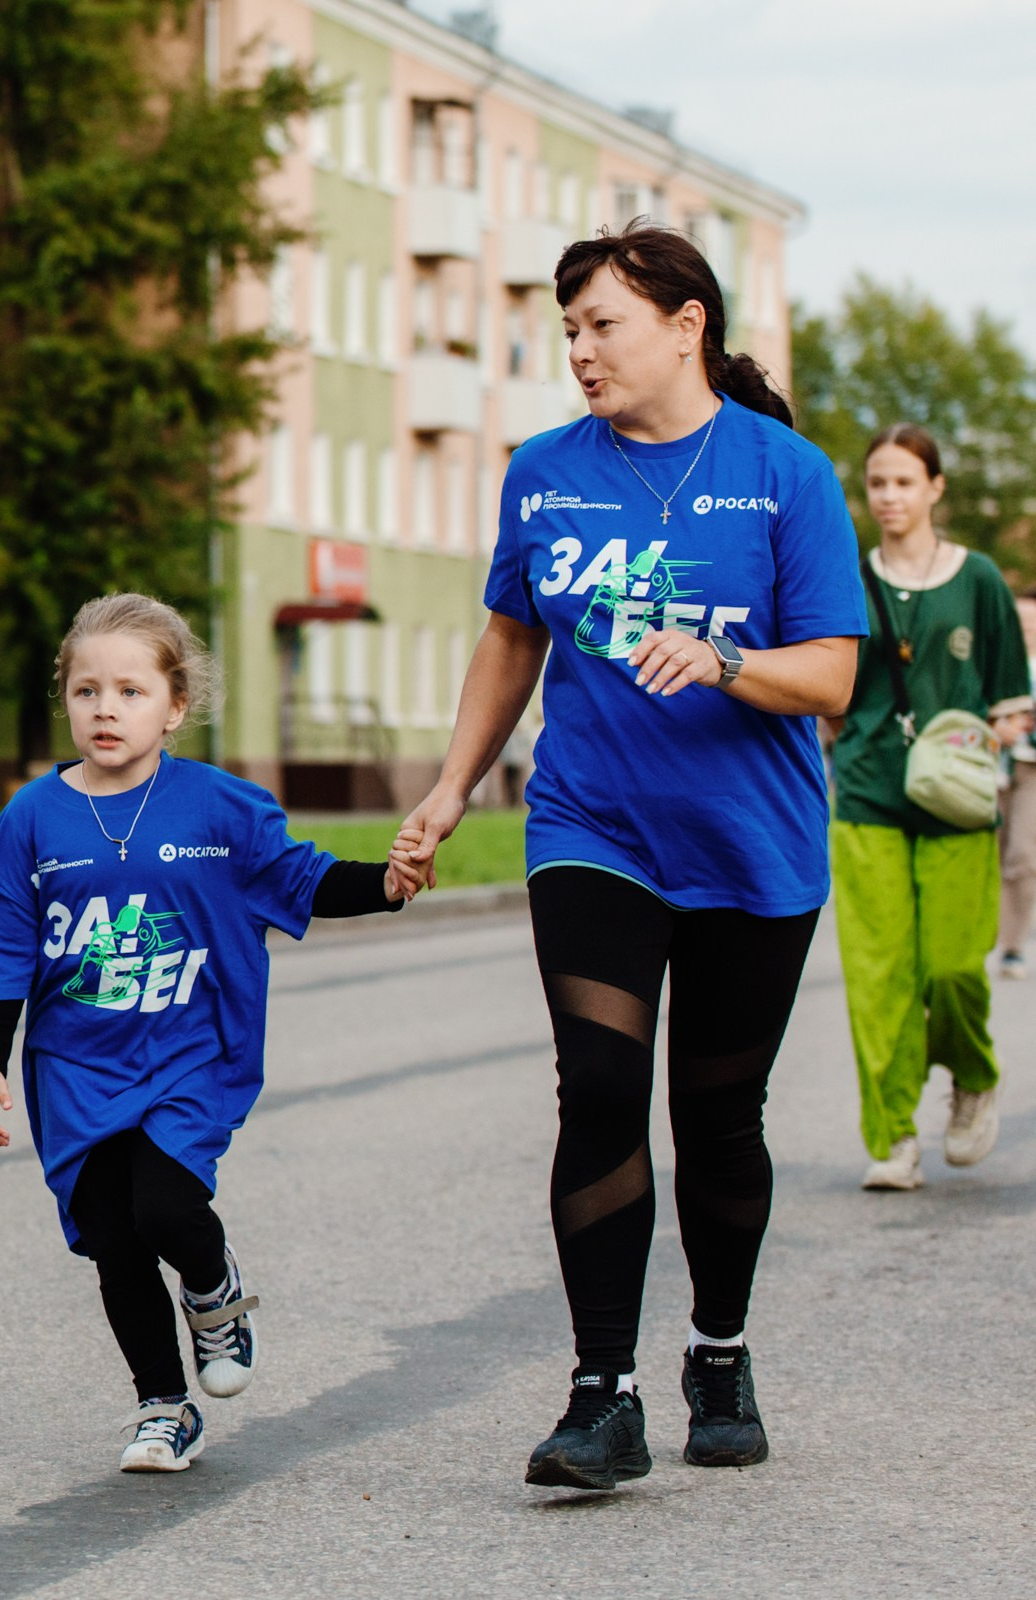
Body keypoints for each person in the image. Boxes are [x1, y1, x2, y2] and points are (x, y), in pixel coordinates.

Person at [392, 226, 863, 1492]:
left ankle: (720, 1349)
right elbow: (511, 637)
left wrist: (722, 660)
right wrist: (451, 787)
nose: (579, 350)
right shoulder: (544, 473)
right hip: (593, 829)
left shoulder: (785, 475)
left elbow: (831, 670)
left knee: (718, 1115)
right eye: (568, 330)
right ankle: (603, 1392)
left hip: (752, 844)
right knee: (599, 1088)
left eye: (600, 324)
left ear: (685, 324)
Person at [0, 594, 421, 1474]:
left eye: (131, 691)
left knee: (165, 1205)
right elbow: (3, 943)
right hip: (75, 1066)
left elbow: (303, 878)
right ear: (65, 699)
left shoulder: (218, 808)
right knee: (111, 1236)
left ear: (174, 708)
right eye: (88, 689)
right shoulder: (31, 818)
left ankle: (213, 1289)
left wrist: (390, 884)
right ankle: (162, 1406)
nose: (107, 708)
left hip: (188, 1054)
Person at [831, 426, 1029, 1189]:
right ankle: (893, 1139)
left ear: (935, 489)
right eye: (877, 483)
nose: (889, 498)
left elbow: (1013, 697)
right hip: (870, 794)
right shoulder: (850, 578)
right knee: (879, 977)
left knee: (950, 969)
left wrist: (990, 730)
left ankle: (974, 1076)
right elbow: (832, 687)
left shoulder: (978, 579)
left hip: (957, 800)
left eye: (904, 483)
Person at [994, 586, 1036, 979]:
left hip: (1031, 770)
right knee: (987, 855)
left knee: (1022, 857)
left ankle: (1012, 946)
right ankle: (981, 932)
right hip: (990, 767)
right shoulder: (998, 661)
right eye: (1020, 621)